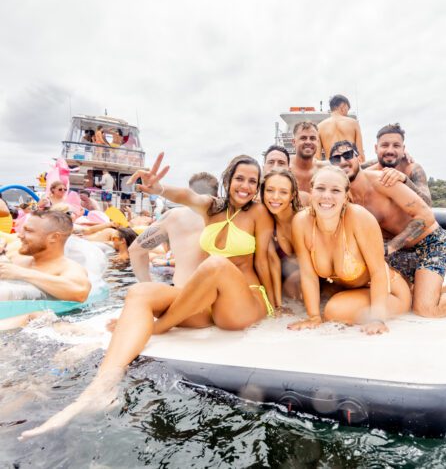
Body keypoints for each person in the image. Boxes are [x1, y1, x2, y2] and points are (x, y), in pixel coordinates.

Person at [20, 153, 276, 439]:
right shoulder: (210, 208)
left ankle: (157, 327)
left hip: (243, 303)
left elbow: (266, 261)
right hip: (206, 303)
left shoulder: (258, 213)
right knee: (140, 292)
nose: (246, 186)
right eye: (240, 178)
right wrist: (159, 189)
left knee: (215, 264)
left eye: (253, 181)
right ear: (229, 180)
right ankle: (102, 387)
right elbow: (186, 196)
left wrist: (276, 306)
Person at [329, 140, 446, 317]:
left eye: (347, 155)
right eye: (336, 158)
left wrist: (389, 249)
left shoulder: (383, 180)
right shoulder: (341, 195)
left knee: (425, 309)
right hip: (400, 251)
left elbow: (425, 215)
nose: (343, 161)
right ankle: (445, 288)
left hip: (430, 244)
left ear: (358, 157)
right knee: (403, 298)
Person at [289, 166, 411, 334]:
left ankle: (413, 297)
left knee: (334, 311)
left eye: (335, 190)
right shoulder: (301, 222)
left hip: (389, 292)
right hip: (352, 291)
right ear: (311, 191)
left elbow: (378, 272)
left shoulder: (359, 218)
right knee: (294, 288)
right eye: (320, 188)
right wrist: (314, 316)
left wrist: (377, 318)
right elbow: (308, 274)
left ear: (346, 196)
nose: (326, 195)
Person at [0, 211, 91, 328]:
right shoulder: (16, 259)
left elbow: (80, 292)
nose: (20, 235)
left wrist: (22, 273)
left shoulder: (68, 268)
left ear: (54, 237)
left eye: (28, 231)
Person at [128, 172, 220, 286]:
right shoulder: (230, 215)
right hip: (222, 296)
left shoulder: (173, 217)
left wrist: (149, 286)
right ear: (217, 194)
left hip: (182, 293)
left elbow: (136, 251)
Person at [260, 168, 303, 306]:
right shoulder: (265, 223)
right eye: (270, 190)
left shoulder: (304, 218)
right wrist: (277, 306)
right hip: (290, 283)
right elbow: (273, 263)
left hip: (320, 279)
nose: (275, 197)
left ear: (292, 195)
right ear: (262, 192)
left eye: (283, 192)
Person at [365, 123, 432, 206]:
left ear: (403, 149)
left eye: (396, 146)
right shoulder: (366, 173)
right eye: (385, 145)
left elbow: (427, 205)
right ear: (376, 148)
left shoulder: (412, 169)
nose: (390, 150)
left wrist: (405, 180)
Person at [317, 94, 365, 162]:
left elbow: (317, 158)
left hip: (333, 168)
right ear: (343, 106)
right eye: (347, 109)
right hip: (350, 166)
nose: (347, 113)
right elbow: (361, 155)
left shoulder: (319, 127)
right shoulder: (353, 123)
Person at [290, 122, 323, 194]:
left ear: (317, 142)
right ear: (293, 142)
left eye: (312, 138)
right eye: (303, 138)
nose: (308, 142)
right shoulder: (285, 168)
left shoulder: (322, 170)